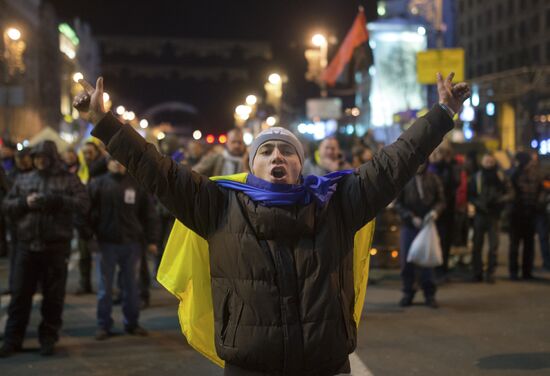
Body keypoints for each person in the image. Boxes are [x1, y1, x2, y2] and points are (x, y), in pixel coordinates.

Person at [73, 73, 469, 375]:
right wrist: (106, 124)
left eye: (286, 151)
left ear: (300, 164)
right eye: (266, 150)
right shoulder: (219, 204)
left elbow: (394, 163)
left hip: (322, 364)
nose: (277, 156)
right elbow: (157, 170)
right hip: (251, 366)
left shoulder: (337, 204)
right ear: (252, 165)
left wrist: (441, 114)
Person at [0, 141, 89, 357]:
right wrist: (24, 203)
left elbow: (83, 203)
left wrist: (56, 200)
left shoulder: (68, 179)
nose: (39, 161)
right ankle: (12, 339)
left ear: (51, 158)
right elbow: (7, 206)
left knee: (53, 297)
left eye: (43, 157)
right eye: (36, 157)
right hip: (26, 246)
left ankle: (48, 338)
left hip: (55, 247)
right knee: (20, 296)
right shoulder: (24, 178)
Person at [87, 157, 159, 340]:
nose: (117, 163)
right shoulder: (97, 184)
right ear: (107, 162)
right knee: (105, 288)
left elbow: (149, 214)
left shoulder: (137, 185)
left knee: (131, 287)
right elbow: (87, 213)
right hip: (106, 243)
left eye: (120, 160)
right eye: (113, 160)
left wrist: (152, 240)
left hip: (132, 243)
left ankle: (132, 323)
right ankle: (103, 325)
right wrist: (90, 237)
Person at [395, 162, 446, 308]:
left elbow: (441, 200)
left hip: (428, 225)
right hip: (409, 226)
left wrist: (434, 212)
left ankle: (429, 295)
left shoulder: (434, 179)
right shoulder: (404, 179)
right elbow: (398, 204)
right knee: (406, 261)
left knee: (427, 261)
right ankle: (408, 293)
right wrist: (410, 216)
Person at [468, 153, 513, 283]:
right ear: (482, 163)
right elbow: (470, 195)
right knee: (477, 245)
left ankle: (490, 273)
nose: (489, 164)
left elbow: (510, 193)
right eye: (486, 162)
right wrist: (479, 204)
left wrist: (499, 200)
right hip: (480, 215)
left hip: (494, 216)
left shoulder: (500, 176)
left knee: (493, 246)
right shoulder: (476, 177)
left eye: (491, 162)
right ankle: (477, 273)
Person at [76, 140, 109, 295]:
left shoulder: (100, 168)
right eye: (85, 153)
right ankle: (85, 284)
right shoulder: (81, 167)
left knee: (103, 256)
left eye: (90, 152)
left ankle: (107, 287)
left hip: (99, 217)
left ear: (96, 153)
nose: (87, 155)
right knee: (84, 255)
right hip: (85, 216)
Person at [508, 152, 543, 280]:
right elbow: (511, 193)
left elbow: (540, 191)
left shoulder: (535, 175)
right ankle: (513, 272)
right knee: (515, 245)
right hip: (517, 215)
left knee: (529, 245)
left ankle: (526, 271)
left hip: (530, 213)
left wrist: (537, 204)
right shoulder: (515, 174)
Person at [428, 144, 460, 280]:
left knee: (445, 240)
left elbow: (454, 184)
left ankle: (442, 267)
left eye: (440, 153)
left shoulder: (450, 168)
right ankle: (432, 268)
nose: (437, 156)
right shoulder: (429, 168)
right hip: (432, 211)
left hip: (446, 211)